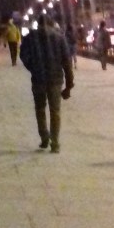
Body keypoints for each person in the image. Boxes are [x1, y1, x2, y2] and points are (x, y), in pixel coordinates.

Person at [20, 12, 74, 153]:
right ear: (51, 23)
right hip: (55, 79)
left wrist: (33, 67)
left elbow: (23, 55)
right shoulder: (60, 38)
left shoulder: (30, 38)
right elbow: (67, 62)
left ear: (38, 24)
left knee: (40, 108)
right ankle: (55, 143)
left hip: (38, 78)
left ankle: (44, 137)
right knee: (55, 110)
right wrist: (69, 85)